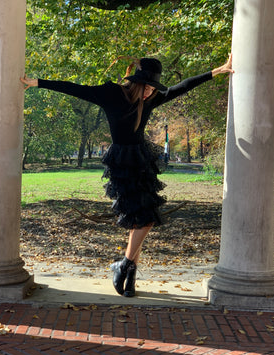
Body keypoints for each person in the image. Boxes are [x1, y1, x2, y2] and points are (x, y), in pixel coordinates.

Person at [21, 54, 233, 297]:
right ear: (136, 82)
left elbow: (182, 87)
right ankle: (127, 269)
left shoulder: (151, 98)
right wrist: (38, 82)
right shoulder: (112, 93)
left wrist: (217, 71)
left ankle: (125, 267)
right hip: (121, 163)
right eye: (147, 87)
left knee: (143, 219)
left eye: (153, 88)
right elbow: (74, 88)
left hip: (141, 161)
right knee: (141, 219)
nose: (149, 92)